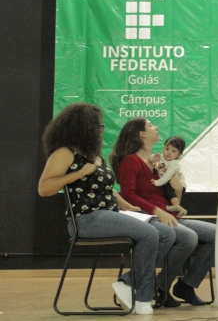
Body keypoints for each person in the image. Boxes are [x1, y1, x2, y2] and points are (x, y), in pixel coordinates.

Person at [37, 103, 172, 315]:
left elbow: (107, 188)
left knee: (166, 233)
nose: (101, 130)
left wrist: (127, 206)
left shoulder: (94, 154)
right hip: (86, 220)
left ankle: (128, 283)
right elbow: (44, 189)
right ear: (83, 128)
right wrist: (79, 173)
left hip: (110, 214)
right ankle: (142, 297)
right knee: (149, 233)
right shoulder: (64, 153)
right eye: (97, 126)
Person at [112, 118, 215, 307]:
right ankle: (144, 283)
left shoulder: (158, 164)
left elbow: (173, 201)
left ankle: (183, 284)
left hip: (168, 216)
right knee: (188, 237)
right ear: (142, 134)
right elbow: (128, 196)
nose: (156, 127)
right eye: (151, 125)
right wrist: (157, 211)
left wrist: (177, 189)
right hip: (147, 217)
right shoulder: (131, 161)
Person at [151, 136, 188, 217]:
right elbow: (151, 159)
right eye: (167, 149)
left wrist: (157, 183)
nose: (168, 152)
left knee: (166, 186)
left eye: (173, 151)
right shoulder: (161, 157)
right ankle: (180, 209)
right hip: (168, 182)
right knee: (165, 188)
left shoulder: (174, 164)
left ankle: (176, 205)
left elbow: (167, 176)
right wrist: (153, 158)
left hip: (177, 184)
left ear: (179, 155)